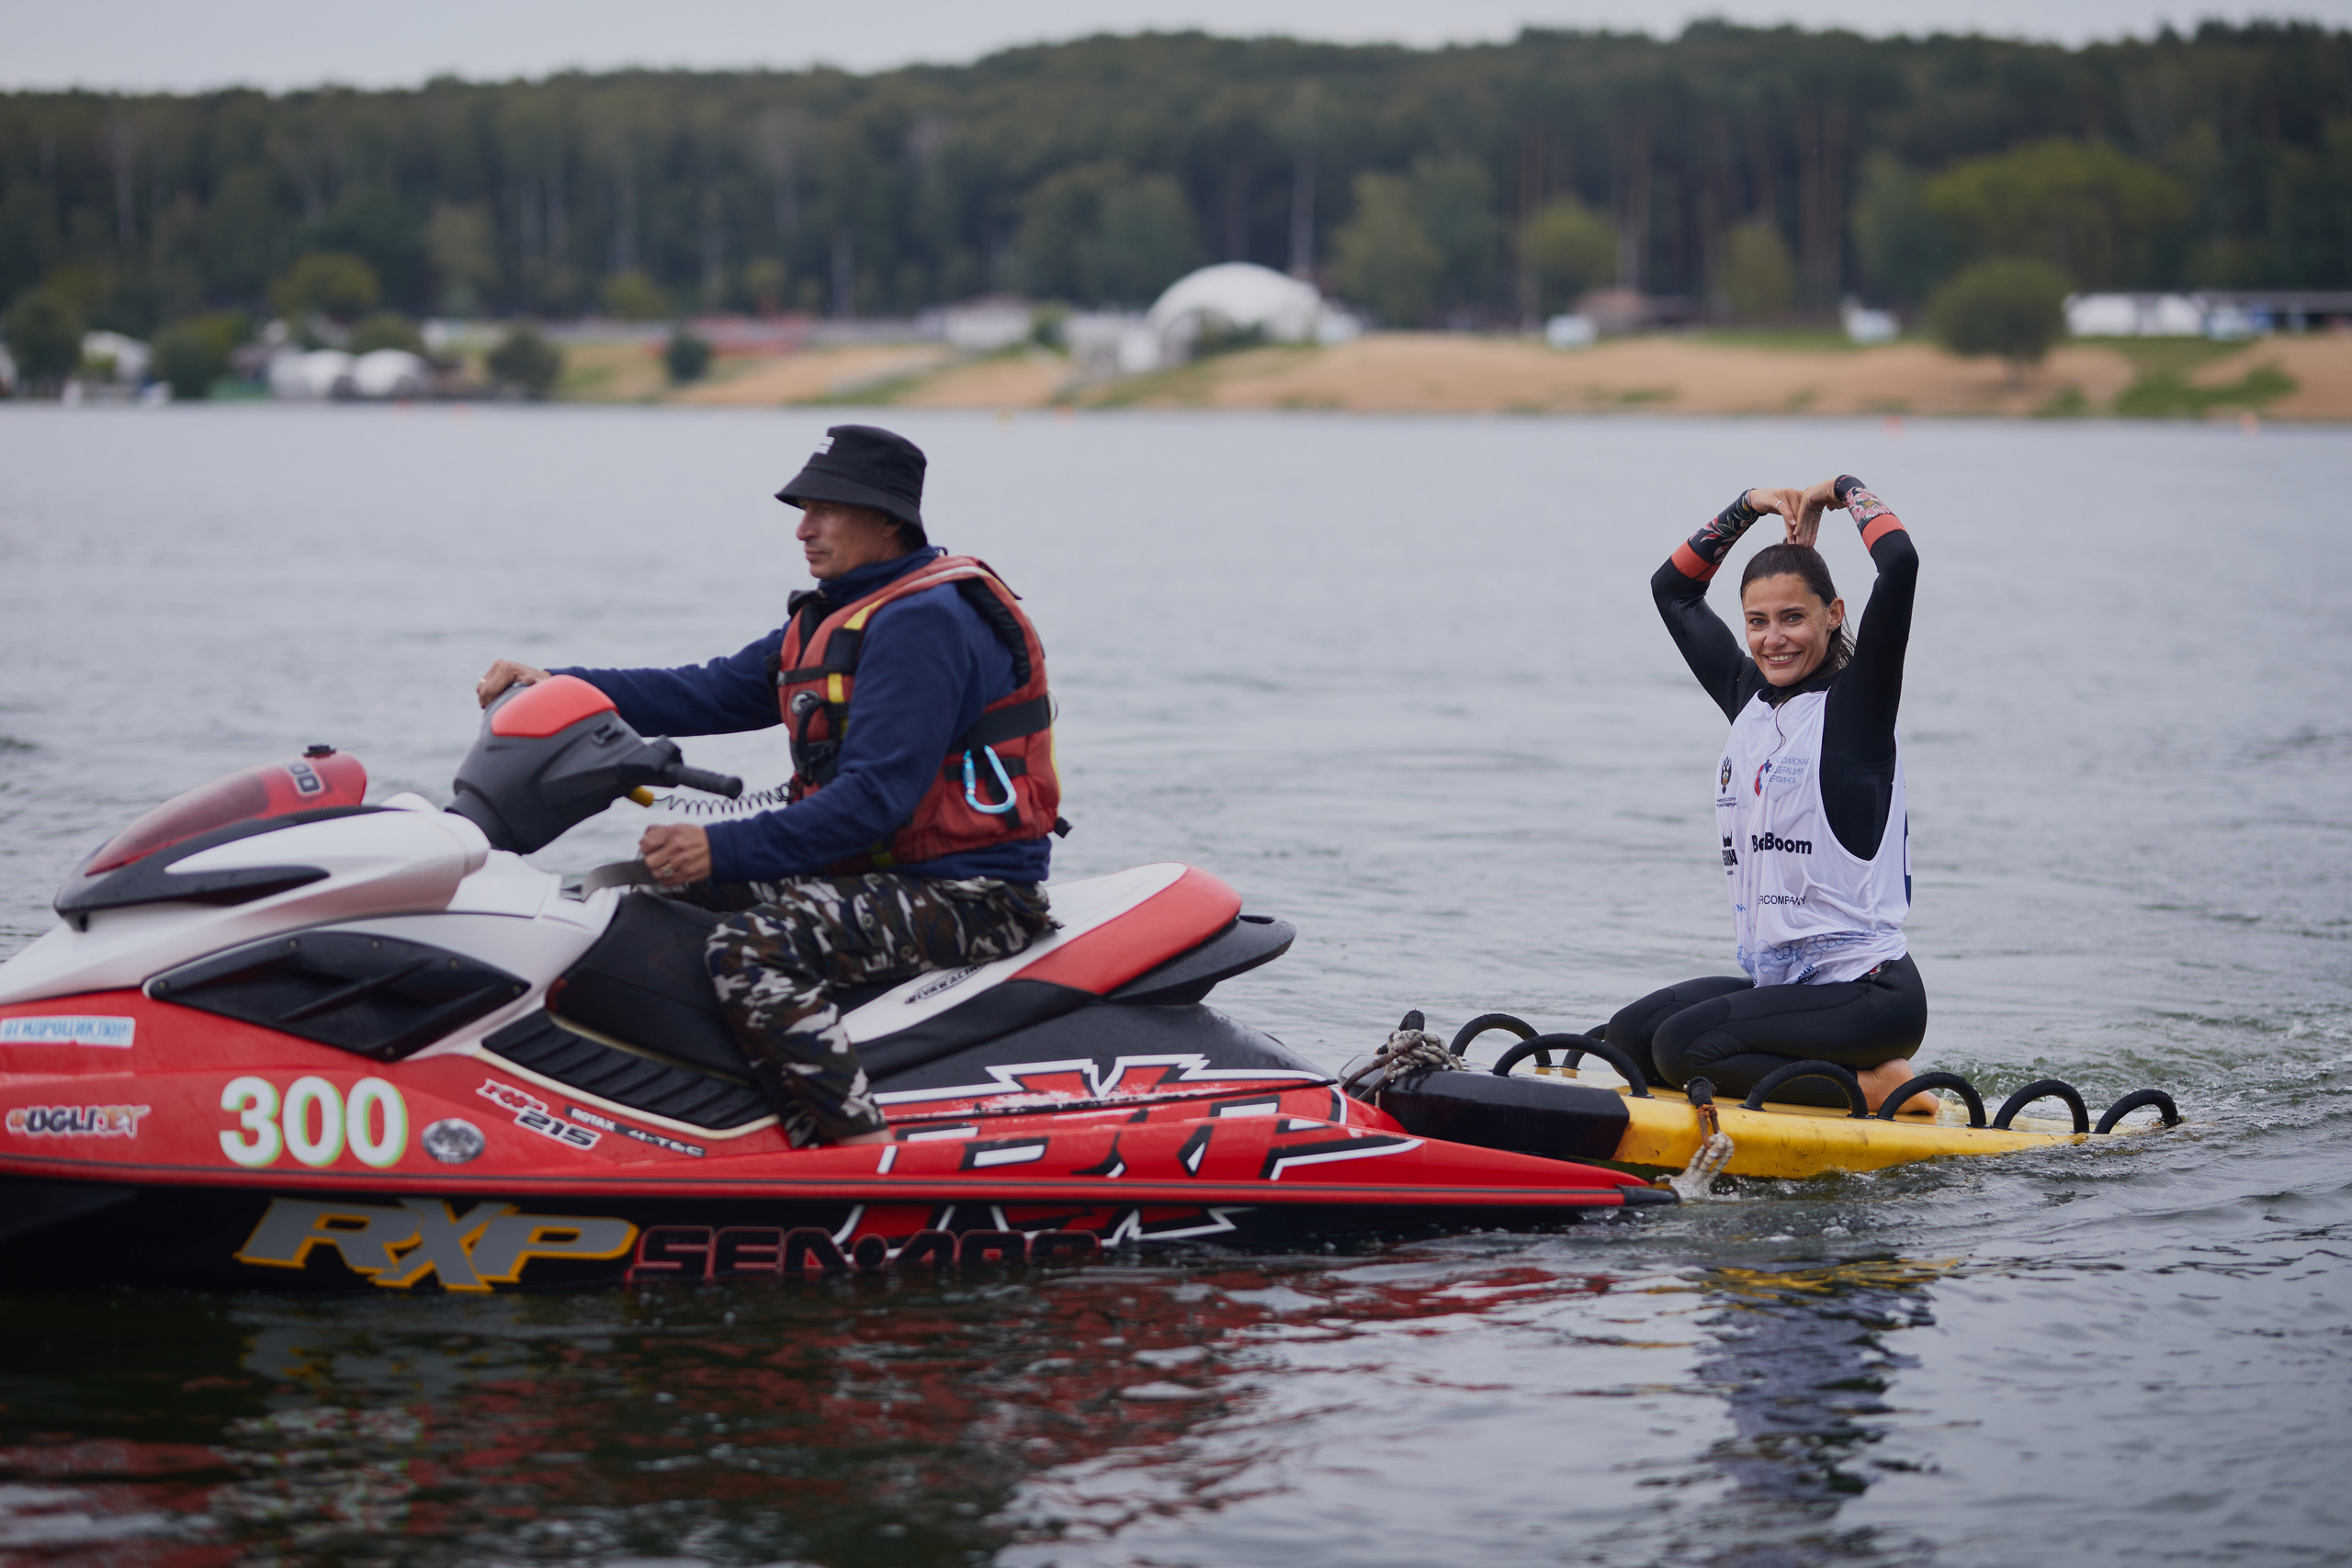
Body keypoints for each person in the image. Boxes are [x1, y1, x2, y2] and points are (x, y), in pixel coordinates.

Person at [474, 424, 1063, 1147]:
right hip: (875, 871)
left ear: (888, 521)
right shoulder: (841, 612)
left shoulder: (926, 623)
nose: (803, 530)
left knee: (753, 947)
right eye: (803, 509)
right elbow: (707, 691)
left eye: (825, 510)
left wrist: (718, 849)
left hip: (970, 894)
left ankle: (857, 1148)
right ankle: (687, 1112)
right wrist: (561, 684)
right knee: (631, 903)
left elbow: (874, 800)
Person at [1605, 473, 1927, 1113]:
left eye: (1793, 618)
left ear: (1834, 614)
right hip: (1787, 983)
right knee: (1630, 1037)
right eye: (1757, 621)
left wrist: (1842, 490)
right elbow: (1672, 590)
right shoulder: (1749, 697)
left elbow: (1900, 562)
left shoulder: (1856, 711)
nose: (1772, 639)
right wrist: (1749, 507)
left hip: (1870, 993)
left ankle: (1880, 1086)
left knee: (1683, 1048)